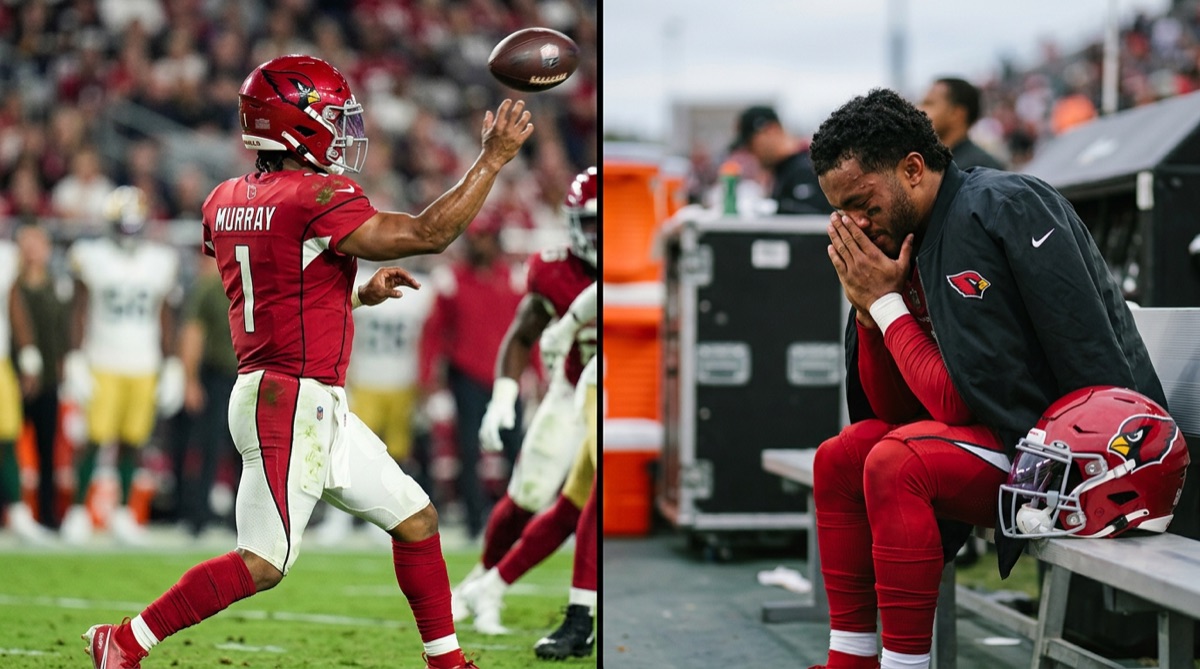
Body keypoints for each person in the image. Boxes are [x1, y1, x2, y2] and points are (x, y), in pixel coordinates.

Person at [81, 53, 532, 669]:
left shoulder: (223, 200)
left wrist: (353, 293)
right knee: (264, 563)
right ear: (294, 122)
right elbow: (429, 233)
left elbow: (273, 285)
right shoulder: (318, 193)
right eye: (331, 116)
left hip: (296, 395)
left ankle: (448, 664)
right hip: (290, 400)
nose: (343, 131)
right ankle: (126, 640)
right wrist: (493, 158)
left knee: (418, 520)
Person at [804, 87, 1163, 669]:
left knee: (896, 462)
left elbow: (957, 401)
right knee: (842, 457)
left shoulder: (1000, 206)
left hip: (1086, 455)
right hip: (1007, 444)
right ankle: (851, 659)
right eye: (841, 210)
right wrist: (871, 318)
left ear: (913, 169)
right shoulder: (897, 241)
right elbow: (892, 411)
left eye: (863, 202)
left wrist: (888, 307)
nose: (856, 224)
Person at [453, 169, 598, 635]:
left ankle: (493, 587)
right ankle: (480, 580)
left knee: (585, 500)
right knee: (529, 494)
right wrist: (504, 397)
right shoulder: (553, 268)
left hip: (615, 393)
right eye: (592, 224)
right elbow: (521, 335)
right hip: (574, 388)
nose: (599, 235)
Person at [60, 185, 184, 546]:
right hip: (102, 358)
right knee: (94, 438)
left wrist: (171, 362)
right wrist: (75, 356)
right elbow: (79, 310)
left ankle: (124, 513)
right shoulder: (91, 256)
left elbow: (165, 314)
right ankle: (78, 510)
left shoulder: (160, 261)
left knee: (134, 441)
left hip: (143, 362)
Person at [310, 258, 436, 546]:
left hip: (401, 382)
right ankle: (339, 519)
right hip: (366, 380)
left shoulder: (423, 290)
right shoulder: (420, 290)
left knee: (395, 458)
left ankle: (385, 519)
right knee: (346, 452)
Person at [418, 212, 527, 542]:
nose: (478, 243)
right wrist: (427, 375)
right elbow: (434, 332)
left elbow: (526, 330)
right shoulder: (453, 281)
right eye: (475, 237)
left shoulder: (514, 280)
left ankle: (520, 520)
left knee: (517, 451)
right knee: (468, 451)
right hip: (467, 376)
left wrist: (537, 370)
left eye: (484, 237)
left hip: (507, 376)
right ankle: (475, 522)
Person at [175, 253, 239, 538]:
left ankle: (244, 518)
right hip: (216, 375)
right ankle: (198, 514)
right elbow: (192, 333)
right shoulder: (210, 288)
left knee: (247, 451)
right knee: (209, 446)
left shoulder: (250, 285)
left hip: (248, 375)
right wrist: (190, 380)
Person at [15, 224, 70, 535]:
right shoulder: (14, 286)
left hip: (49, 378)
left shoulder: (55, 285)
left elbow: (61, 329)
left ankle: (47, 515)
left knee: (47, 449)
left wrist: (67, 362)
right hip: (16, 377)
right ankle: (11, 511)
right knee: (7, 443)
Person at [1, 232, 51, 543]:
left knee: (7, 435)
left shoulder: (6, 256)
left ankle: (18, 510)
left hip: (0, 358)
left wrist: (28, 351)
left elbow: (13, 304)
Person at [730, 105, 833, 215]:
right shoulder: (783, 170)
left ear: (771, 130)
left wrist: (775, 208)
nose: (750, 152)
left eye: (751, 144)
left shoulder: (808, 166)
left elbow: (820, 219)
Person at [918, 77, 1006, 171]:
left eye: (929, 104)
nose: (919, 109)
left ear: (956, 114)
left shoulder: (982, 168)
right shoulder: (929, 162)